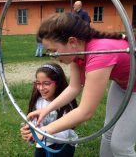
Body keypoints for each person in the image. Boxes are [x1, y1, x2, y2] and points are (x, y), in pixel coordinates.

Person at [27, 12, 136, 157]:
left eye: (54, 51)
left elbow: (85, 112)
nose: (52, 56)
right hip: (123, 85)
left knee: (120, 146)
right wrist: (46, 110)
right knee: (108, 134)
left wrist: (46, 130)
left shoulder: (99, 54)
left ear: (72, 42)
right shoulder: (77, 52)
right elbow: (74, 87)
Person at [21, 63, 78, 157]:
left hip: (63, 146)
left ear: (58, 83)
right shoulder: (38, 101)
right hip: (42, 144)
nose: (41, 88)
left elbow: (64, 135)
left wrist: (40, 133)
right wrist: (29, 130)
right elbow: (35, 123)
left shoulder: (66, 104)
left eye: (46, 83)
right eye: (38, 83)